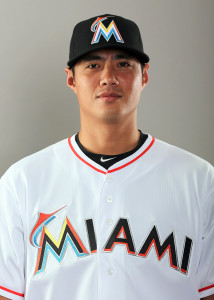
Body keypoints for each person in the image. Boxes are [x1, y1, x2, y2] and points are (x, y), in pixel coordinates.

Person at [0, 14, 213, 300]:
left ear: (144, 75)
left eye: (123, 63)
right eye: (93, 65)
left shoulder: (199, 181)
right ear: (71, 78)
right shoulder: (21, 183)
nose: (108, 77)